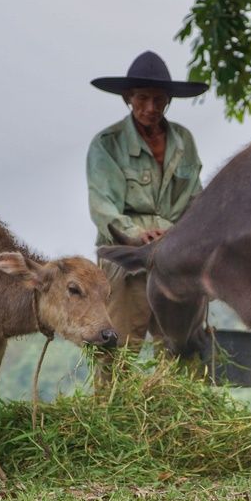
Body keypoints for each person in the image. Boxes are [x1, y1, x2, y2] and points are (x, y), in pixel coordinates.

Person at [86, 50, 208, 351]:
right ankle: (112, 385)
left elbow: (196, 200)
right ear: (128, 98)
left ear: (168, 100)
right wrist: (138, 235)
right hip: (126, 258)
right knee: (118, 350)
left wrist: (178, 236)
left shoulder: (184, 141)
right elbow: (103, 206)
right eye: (142, 98)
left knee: (182, 350)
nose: (150, 107)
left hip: (175, 255)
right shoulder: (108, 143)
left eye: (158, 99)